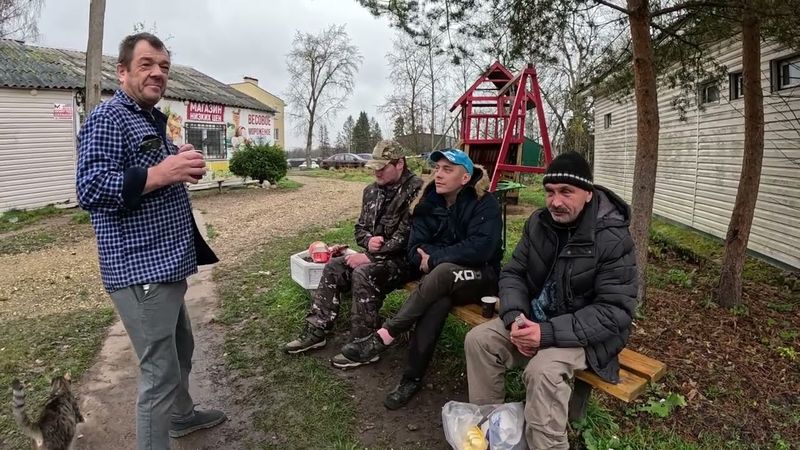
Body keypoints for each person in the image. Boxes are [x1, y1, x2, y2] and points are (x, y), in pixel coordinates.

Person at [76, 33, 226, 450]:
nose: (157, 72)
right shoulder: (110, 118)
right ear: (122, 71)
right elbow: (90, 189)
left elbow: (147, 173)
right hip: (140, 269)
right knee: (159, 372)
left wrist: (179, 164)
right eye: (146, 64)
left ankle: (181, 417)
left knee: (181, 347)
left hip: (166, 264)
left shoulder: (147, 118)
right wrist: (163, 173)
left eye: (163, 66)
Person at [464, 152, 637, 450]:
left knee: (542, 372)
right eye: (550, 192)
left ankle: (548, 445)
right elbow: (513, 273)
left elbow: (614, 312)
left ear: (587, 194)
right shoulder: (539, 223)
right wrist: (516, 317)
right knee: (479, 340)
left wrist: (545, 334)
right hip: (536, 318)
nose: (556, 202)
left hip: (588, 336)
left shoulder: (612, 238)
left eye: (566, 192)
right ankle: (493, 431)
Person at [340, 149, 503, 409]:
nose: (438, 175)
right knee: (437, 298)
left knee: (443, 272)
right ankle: (411, 378)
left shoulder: (485, 203)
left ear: (465, 177)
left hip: (481, 278)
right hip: (440, 281)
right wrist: (430, 261)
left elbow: (481, 247)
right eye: (437, 168)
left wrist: (436, 258)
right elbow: (415, 248)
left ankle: (385, 334)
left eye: (447, 169)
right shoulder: (428, 202)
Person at [282, 140, 424, 369]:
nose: (376, 172)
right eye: (374, 167)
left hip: (406, 261)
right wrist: (368, 241)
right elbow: (360, 229)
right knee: (335, 266)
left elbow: (411, 236)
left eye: (382, 167)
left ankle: (363, 344)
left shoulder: (418, 191)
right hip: (375, 256)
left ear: (399, 164)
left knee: (363, 272)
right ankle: (318, 329)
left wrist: (373, 256)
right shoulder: (371, 192)